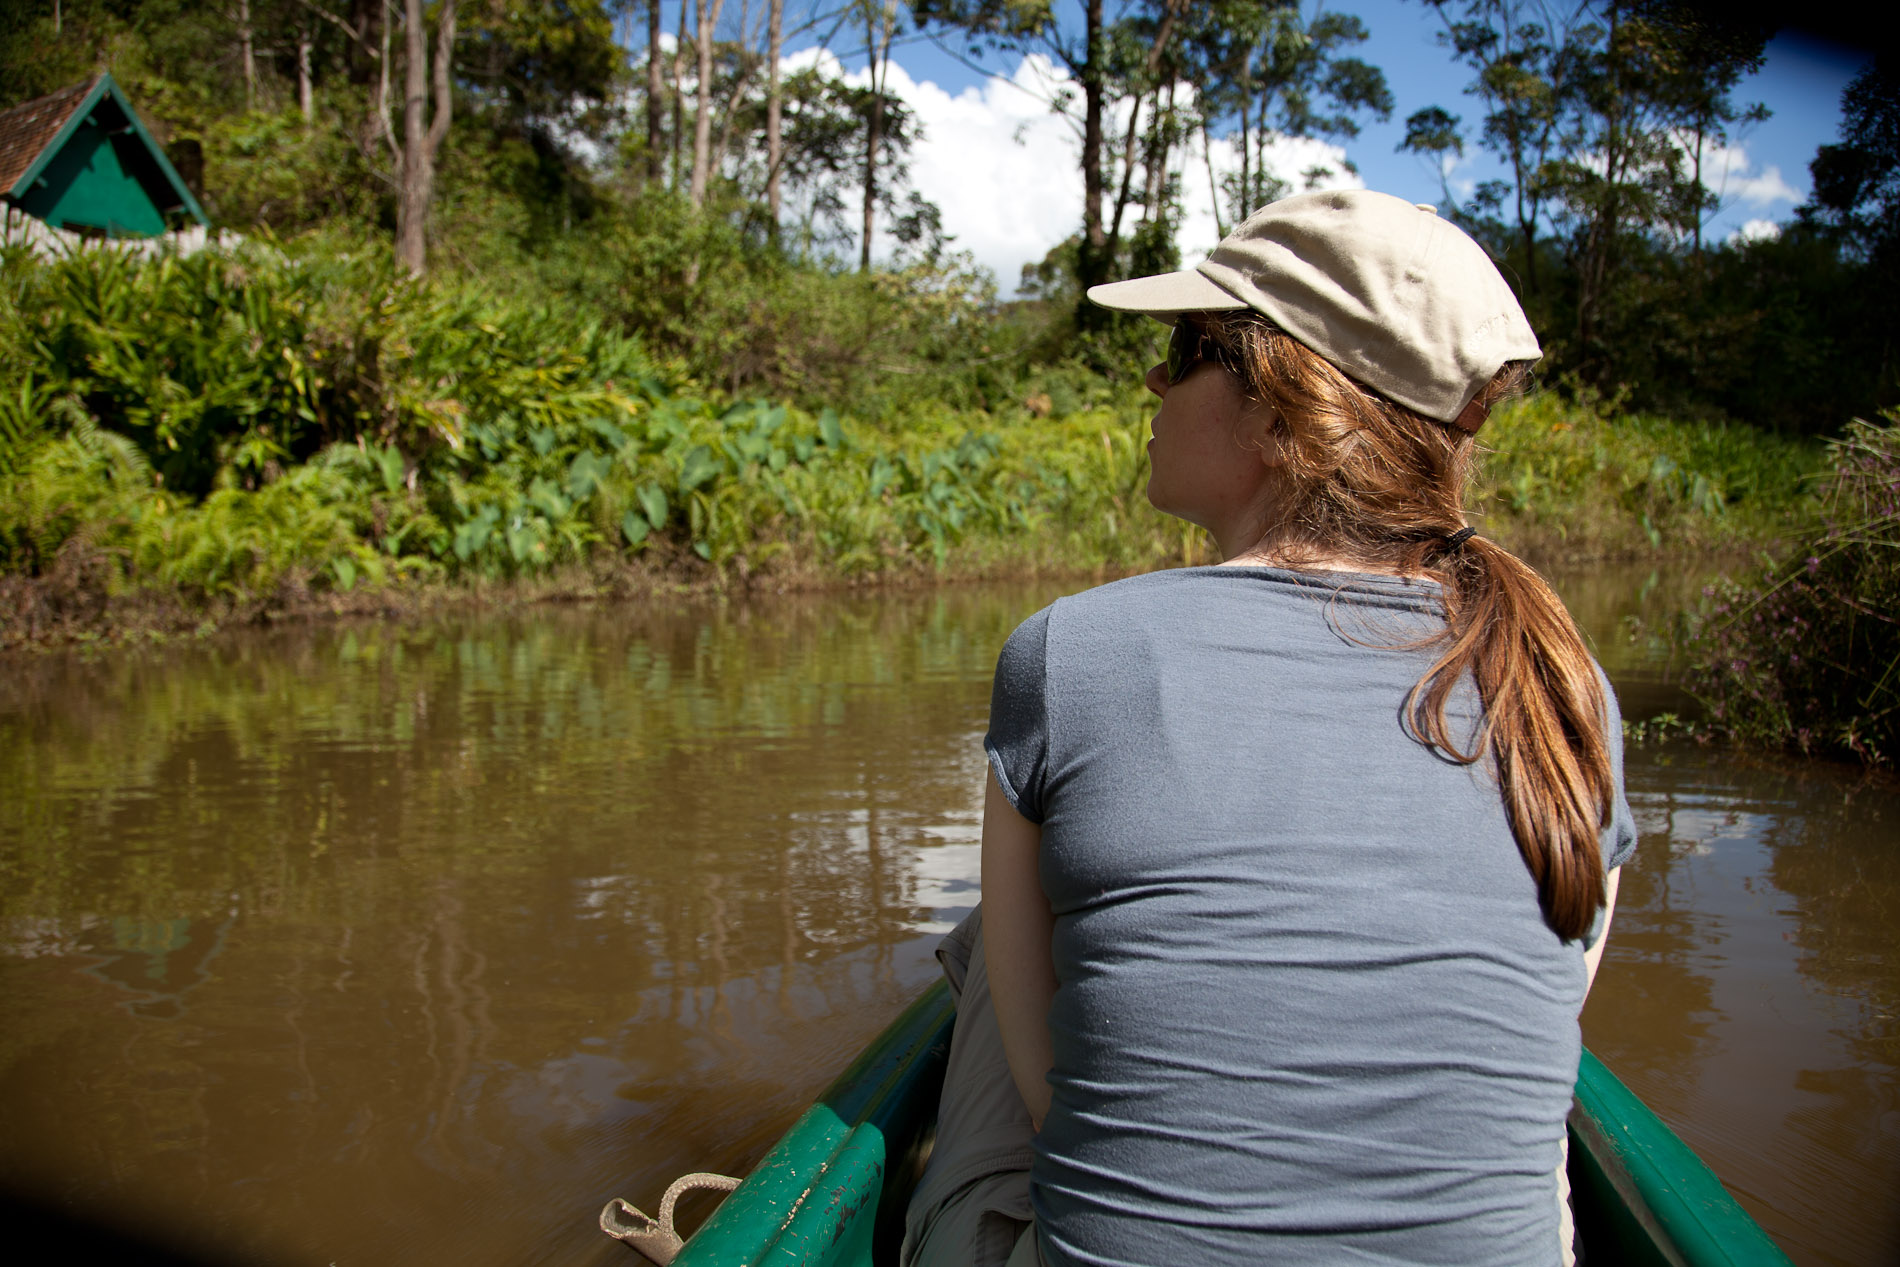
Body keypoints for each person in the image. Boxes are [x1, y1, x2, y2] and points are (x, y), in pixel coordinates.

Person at [900, 189, 1637, 1267]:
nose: (1153, 378)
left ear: (1283, 399)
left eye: (1187, 347)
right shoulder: (1565, 682)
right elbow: (1559, 991)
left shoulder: (1070, 652)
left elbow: (1051, 1104)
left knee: (993, 942)